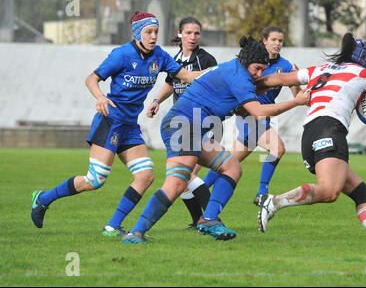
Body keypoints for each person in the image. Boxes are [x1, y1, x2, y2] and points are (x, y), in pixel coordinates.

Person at [121, 36, 311, 244]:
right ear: (247, 62)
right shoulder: (239, 78)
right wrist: (296, 101)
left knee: (232, 167)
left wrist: (304, 77)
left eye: (261, 70)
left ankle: (209, 219)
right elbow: (258, 111)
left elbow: (273, 82)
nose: (258, 74)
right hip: (183, 126)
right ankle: (136, 232)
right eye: (256, 69)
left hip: (192, 129)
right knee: (175, 185)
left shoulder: (236, 71)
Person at [30, 12, 201, 237]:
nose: (153, 37)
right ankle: (43, 199)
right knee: (95, 179)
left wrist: (220, 73)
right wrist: (100, 97)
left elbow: (187, 76)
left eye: (156, 32)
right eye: (148, 32)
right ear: (138, 32)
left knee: (146, 176)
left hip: (130, 126)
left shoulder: (159, 55)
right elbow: (91, 79)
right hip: (110, 121)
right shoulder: (121, 55)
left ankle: (112, 226)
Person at [256, 33, 366, 249]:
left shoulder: (321, 69)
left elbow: (278, 79)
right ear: (365, 59)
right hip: (330, 130)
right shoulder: (364, 74)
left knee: (360, 191)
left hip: (310, 134)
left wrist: (254, 85)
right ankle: (274, 202)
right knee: (329, 192)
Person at [201, 26, 300, 206]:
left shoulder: (285, 66)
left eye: (280, 41)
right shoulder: (251, 62)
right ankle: (262, 193)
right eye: (274, 40)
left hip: (264, 117)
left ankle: (200, 188)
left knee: (227, 161)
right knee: (278, 148)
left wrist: (296, 83)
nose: (277, 44)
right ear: (264, 41)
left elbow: (296, 94)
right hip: (250, 115)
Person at [148, 17, 218, 229]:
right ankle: (200, 220)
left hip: (201, 121)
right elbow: (171, 82)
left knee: (186, 175)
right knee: (185, 177)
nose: (192, 37)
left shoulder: (206, 60)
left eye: (196, 33)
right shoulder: (175, 58)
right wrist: (156, 100)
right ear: (180, 34)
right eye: (188, 33)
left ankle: (211, 218)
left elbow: (213, 87)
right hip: (182, 123)